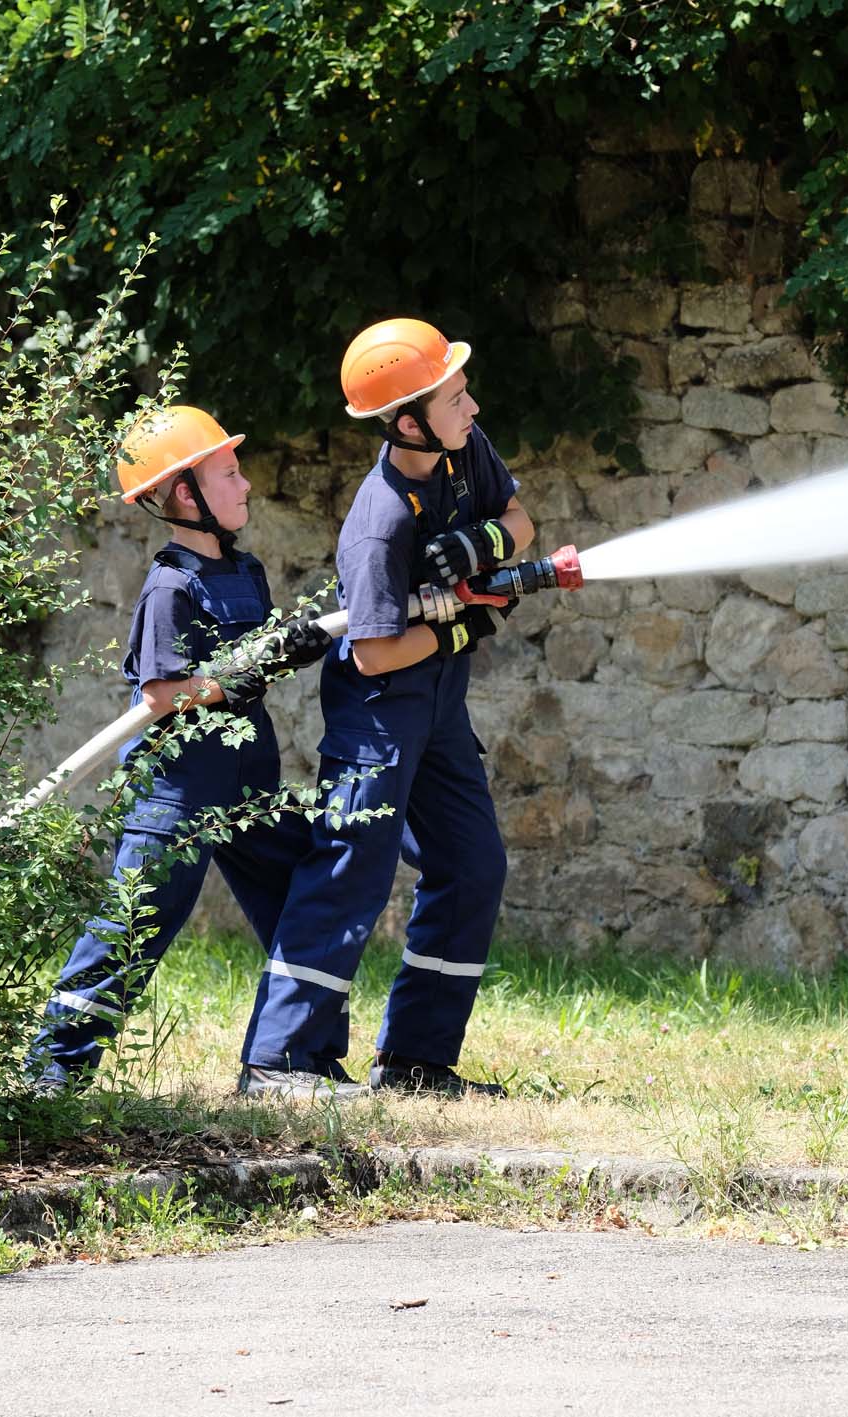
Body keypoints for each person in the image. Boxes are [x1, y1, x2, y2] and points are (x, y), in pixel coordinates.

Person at [236, 318, 535, 1098]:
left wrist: (482, 548)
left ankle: (414, 1060)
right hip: (379, 710)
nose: (471, 408)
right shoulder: (378, 522)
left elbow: (521, 522)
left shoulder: (463, 446)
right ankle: (278, 1060)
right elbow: (371, 651)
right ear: (408, 421)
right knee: (352, 867)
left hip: (439, 707)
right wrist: (462, 625)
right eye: (455, 397)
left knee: (472, 865)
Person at [28, 405, 354, 1099]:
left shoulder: (248, 570)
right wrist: (242, 670)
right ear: (186, 493)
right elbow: (161, 693)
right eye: (228, 472)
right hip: (174, 795)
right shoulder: (170, 587)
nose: (244, 484)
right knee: (131, 927)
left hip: (246, 786)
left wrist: (283, 649)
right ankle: (50, 1074)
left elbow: (246, 668)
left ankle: (296, 1058)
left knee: (309, 891)